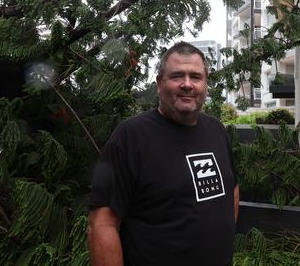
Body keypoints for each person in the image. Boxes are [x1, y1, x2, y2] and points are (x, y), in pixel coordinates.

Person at [87, 41, 239, 266]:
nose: (187, 84)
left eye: (196, 77)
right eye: (177, 76)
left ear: (206, 84)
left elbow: (231, 190)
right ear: (159, 83)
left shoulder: (216, 130)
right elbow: (102, 225)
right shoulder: (132, 136)